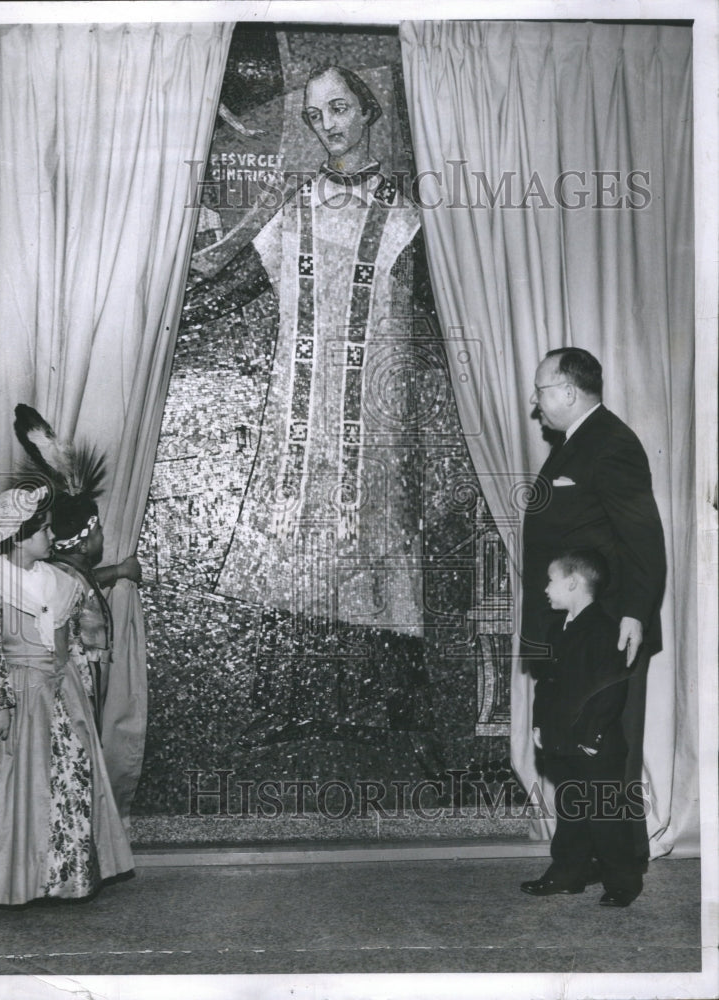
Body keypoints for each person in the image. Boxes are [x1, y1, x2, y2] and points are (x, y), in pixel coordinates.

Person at [182, 65, 433, 745]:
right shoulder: (295, 207)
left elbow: (443, 307)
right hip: (303, 424)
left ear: (370, 112)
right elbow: (236, 283)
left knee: (378, 548)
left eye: (341, 109)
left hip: (377, 434)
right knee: (296, 549)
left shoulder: (408, 211)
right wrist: (175, 310)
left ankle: (387, 717)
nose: (329, 126)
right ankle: (289, 708)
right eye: (316, 115)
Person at [0, 486, 133, 905]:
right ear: (19, 538)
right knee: (15, 787)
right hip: (20, 699)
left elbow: (77, 641)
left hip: (63, 696)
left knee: (72, 779)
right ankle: (14, 878)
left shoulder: (60, 582)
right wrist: (0, 706)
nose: (51, 537)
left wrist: (82, 680)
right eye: (44, 530)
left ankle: (66, 875)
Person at [521, 347, 666, 861]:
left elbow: (643, 538)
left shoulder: (610, 443)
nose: (535, 402)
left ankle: (623, 867)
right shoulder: (575, 444)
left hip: (608, 627)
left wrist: (634, 613)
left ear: (567, 390)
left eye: (540, 390)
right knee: (569, 747)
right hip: (574, 626)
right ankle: (574, 864)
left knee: (605, 752)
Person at [521, 549, 643, 906]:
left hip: (596, 744)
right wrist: (541, 725)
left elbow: (612, 689)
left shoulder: (606, 628)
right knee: (572, 811)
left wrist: (593, 738)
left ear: (572, 582)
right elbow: (547, 684)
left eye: (551, 579)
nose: (545, 587)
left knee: (606, 815)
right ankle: (567, 874)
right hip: (563, 740)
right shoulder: (558, 627)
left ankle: (623, 883)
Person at [50, 490, 141, 735]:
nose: (103, 534)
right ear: (83, 544)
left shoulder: (71, 573)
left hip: (90, 675)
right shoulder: (62, 578)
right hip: (76, 680)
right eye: (99, 530)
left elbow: (88, 583)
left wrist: (120, 570)